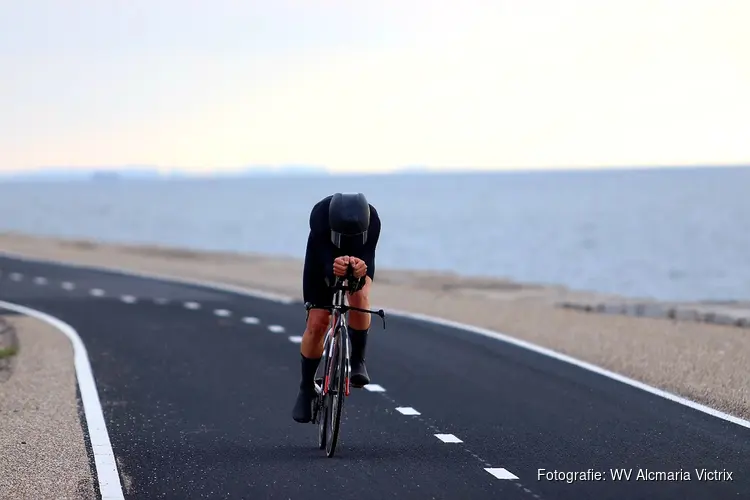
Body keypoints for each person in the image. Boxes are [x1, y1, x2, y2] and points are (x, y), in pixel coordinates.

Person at [292, 192, 381, 423]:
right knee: (318, 321)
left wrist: (360, 268)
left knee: (360, 297)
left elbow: (369, 256)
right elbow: (320, 258)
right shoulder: (320, 215)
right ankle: (306, 388)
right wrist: (332, 266)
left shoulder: (374, 221)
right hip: (323, 258)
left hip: (359, 259)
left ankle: (358, 360)